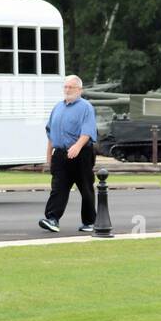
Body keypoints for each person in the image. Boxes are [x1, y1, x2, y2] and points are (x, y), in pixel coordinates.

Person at [39, 74, 98, 233]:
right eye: (65, 87)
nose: (67, 90)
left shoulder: (86, 107)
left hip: (81, 153)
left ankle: (90, 221)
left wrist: (77, 146)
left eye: (70, 87)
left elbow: (88, 131)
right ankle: (52, 219)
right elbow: (51, 133)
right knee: (58, 187)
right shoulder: (58, 107)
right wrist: (48, 156)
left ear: (79, 89)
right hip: (60, 154)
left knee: (85, 188)